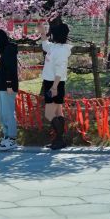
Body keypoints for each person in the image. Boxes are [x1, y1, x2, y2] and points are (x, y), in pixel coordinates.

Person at [38, 22, 71, 150]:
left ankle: (60, 139)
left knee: (49, 114)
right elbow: (45, 45)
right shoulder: (54, 47)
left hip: (54, 83)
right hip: (51, 83)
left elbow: (60, 70)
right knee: (57, 111)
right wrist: (42, 32)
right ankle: (59, 140)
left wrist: (54, 87)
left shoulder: (62, 50)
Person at [0, 29, 19, 151]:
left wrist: (9, 84)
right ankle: (6, 136)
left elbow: (10, 69)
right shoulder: (1, 52)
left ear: (0, 38)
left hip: (7, 86)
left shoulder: (9, 49)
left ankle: (12, 138)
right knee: (1, 113)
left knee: (8, 112)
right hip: (0, 86)